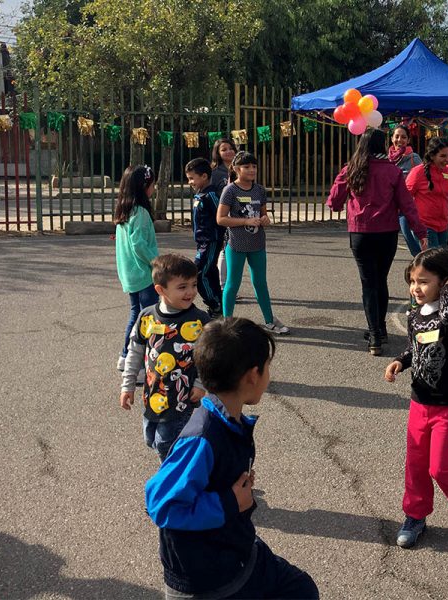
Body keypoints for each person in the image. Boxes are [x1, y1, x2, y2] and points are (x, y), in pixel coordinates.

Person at [145, 317, 318, 599]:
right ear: (252, 375)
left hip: (235, 552)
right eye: (268, 368)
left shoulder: (228, 421)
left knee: (300, 589)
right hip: (209, 580)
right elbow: (161, 506)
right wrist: (229, 502)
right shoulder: (201, 439)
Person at [384, 248, 448, 549]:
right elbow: (416, 346)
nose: (416, 288)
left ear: (444, 283)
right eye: (413, 281)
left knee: (442, 467)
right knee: (415, 463)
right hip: (420, 402)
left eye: (424, 281)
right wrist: (401, 362)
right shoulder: (415, 314)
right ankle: (415, 515)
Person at [327, 128, 427, 356]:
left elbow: (333, 202)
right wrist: (421, 232)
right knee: (380, 280)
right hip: (387, 233)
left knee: (368, 283)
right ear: (384, 145)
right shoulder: (392, 171)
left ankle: (374, 335)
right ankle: (379, 329)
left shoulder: (351, 168)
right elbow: (407, 205)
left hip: (361, 233)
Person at [120, 254, 210, 461]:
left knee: (166, 445)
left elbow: (208, 357)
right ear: (160, 290)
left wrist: (199, 383)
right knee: (150, 439)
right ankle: (194, 470)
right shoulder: (147, 317)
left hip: (182, 399)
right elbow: (134, 353)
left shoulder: (199, 321)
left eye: (194, 284)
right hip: (153, 396)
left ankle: (174, 482)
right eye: (182, 287)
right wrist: (128, 385)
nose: (190, 292)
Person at [216, 151, 289, 335]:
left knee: (260, 283)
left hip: (257, 243)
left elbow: (263, 214)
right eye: (246, 167)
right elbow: (221, 219)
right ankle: (227, 323)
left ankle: (269, 321)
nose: (251, 170)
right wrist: (245, 221)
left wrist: (265, 220)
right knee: (232, 284)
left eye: (254, 166)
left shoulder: (259, 190)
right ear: (236, 169)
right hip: (236, 244)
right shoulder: (230, 190)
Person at [114, 164, 159, 371]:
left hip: (130, 274)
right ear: (144, 187)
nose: (154, 188)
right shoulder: (140, 212)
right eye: (152, 184)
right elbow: (139, 244)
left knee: (136, 315)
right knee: (147, 318)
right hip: (143, 274)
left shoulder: (125, 210)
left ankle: (126, 356)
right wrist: (156, 262)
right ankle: (138, 364)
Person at [186, 158, 224, 317]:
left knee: (199, 273)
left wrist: (221, 238)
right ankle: (219, 303)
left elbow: (221, 217)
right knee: (210, 272)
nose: (189, 182)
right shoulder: (199, 194)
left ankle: (215, 305)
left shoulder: (212, 195)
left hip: (210, 241)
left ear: (204, 176)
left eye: (191, 178)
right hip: (202, 242)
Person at [390, 124, 424, 256]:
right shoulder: (387, 159)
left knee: (410, 235)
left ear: (408, 140)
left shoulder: (413, 158)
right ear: (392, 138)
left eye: (403, 137)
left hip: (408, 204)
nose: (400, 140)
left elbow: (423, 176)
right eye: (397, 136)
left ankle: (421, 260)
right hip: (391, 205)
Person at [211, 138, 238, 290]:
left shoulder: (239, 169)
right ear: (218, 153)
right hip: (222, 216)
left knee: (233, 250)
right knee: (224, 249)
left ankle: (230, 285)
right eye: (224, 149)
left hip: (238, 216)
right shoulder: (215, 173)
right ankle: (223, 286)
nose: (228, 151)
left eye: (230, 148)